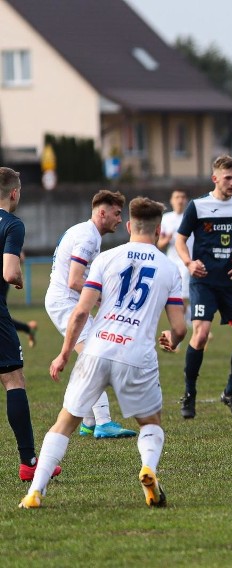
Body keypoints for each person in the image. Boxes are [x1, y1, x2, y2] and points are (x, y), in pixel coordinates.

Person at [19, 197, 186, 509]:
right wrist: (172, 338)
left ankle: (34, 492)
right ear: (158, 228)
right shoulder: (169, 267)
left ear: (128, 226)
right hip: (136, 355)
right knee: (151, 423)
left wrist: (65, 353)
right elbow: (179, 327)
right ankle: (148, 468)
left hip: (97, 348)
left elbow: (81, 312)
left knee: (65, 422)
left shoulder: (106, 258)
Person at [45, 190, 136, 439]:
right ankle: (103, 422)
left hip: (67, 301)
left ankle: (88, 421)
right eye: (117, 214)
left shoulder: (85, 232)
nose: (120, 219)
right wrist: (101, 298)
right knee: (95, 356)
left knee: (95, 354)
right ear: (102, 212)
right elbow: (75, 280)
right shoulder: (87, 237)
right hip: (66, 302)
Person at [175, 155, 232, 418]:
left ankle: (230, 392)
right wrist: (188, 263)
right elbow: (180, 240)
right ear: (215, 178)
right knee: (200, 333)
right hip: (204, 281)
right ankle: (189, 394)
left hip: (230, 281)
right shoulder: (198, 206)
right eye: (228, 178)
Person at [0, 167, 61, 482]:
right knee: (14, 381)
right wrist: (20, 278)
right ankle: (29, 462)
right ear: (14, 193)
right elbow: (10, 273)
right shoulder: (12, 224)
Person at [157, 189, 193, 348]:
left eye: (183, 197)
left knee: (183, 297)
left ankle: (180, 333)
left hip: (189, 261)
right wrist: (168, 239)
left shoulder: (191, 217)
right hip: (172, 262)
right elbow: (159, 244)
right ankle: (189, 323)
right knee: (178, 298)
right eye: (177, 197)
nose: (180, 200)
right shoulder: (166, 219)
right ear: (172, 200)